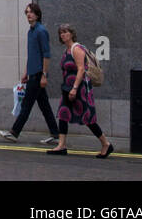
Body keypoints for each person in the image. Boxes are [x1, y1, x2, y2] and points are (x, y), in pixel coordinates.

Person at [47, 24, 113, 158]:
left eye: (65, 32)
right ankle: (61, 146)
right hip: (67, 87)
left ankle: (106, 144)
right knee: (62, 114)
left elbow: (81, 69)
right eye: (61, 33)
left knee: (88, 118)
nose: (63, 35)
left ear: (71, 34)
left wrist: (75, 88)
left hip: (79, 89)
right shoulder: (66, 50)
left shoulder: (76, 48)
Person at [0, 2, 59, 145]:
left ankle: (14, 132)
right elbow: (32, 55)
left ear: (37, 14)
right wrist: (26, 72)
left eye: (31, 12)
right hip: (33, 74)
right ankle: (55, 134)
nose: (28, 14)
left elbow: (46, 54)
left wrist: (44, 75)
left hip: (38, 75)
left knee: (26, 104)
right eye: (27, 12)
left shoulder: (41, 31)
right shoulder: (30, 31)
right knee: (44, 106)